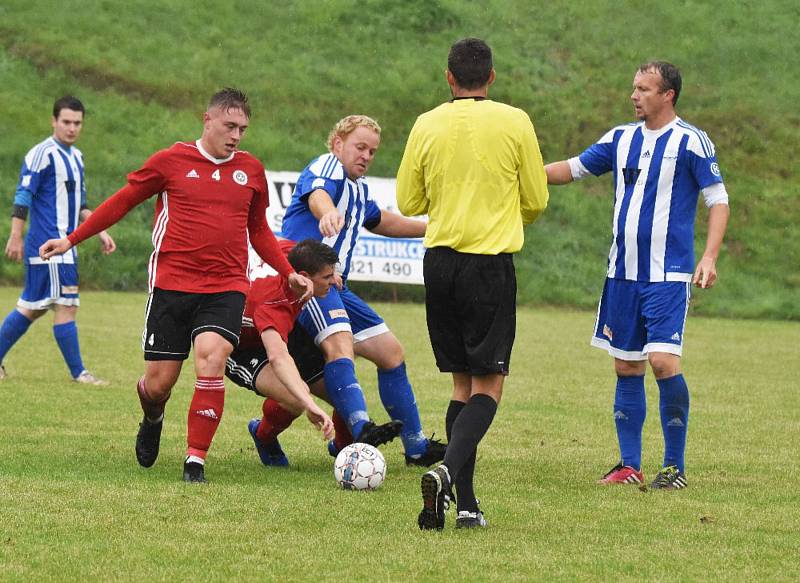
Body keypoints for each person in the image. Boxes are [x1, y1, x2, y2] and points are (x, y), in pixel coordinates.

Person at [39, 88, 313, 483]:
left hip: (226, 286)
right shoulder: (171, 161)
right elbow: (123, 200)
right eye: (229, 126)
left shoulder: (250, 170)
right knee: (158, 384)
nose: (236, 135)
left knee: (211, 357)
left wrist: (287, 271)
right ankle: (153, 415)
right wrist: (72, 239)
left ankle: (195, 461)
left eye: (243, 129)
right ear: (208, 120)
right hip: (172, 285)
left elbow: (258, 230)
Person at [544, 61, 730, 490]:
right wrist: (522, 174)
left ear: (668, 95)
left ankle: (673, 467)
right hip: (622, 273)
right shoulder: (620, 138)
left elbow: (717, 200)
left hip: (668, 274)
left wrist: (710, 256)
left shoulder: (691, 142)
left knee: (663, 362)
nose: (634, 96)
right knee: (626, 367)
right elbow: (572, 169)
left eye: (644, 89)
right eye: (634, 88)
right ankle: (630, 465)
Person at [396, 37, 549, 530]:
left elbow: (409, 200)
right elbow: (536, 199)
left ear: (449, 77)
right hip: (488, 264)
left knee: (461, 385)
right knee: (489, 385)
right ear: (492, 77)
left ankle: (465, 505)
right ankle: (445, 471)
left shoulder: (426, 124)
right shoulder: (514, 121)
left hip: (440, 263)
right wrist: (506, 212)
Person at [274, 114, 446, 467]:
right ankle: (360, 431)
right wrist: (325, 214)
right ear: (338, 143)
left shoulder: (357, 188)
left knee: (391, 353)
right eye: (360, 147)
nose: (366, 156)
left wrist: (434, 229)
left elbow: (383, 220)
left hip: (336, 285)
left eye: (372, 151)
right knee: (339, 348)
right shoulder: (328, 166)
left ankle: (415, 448)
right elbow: (319, 195)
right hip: (308, 283)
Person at [227, 238, 402, 466]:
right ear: (305, 277)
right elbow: (279, 358)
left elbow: (286, 247)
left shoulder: (295, 256)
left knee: (340, 393)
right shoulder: (273, 305)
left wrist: (331, 273)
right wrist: (308, 403)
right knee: (295, 398)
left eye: (332, 275)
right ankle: (263, 436)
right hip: (241, 346)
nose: (334, 284)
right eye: (327, 278)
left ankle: (344, 450)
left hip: (280, 331)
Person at [1, 96, 115, 385]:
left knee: (34, 307)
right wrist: (15, 236)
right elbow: (23, 196)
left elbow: (80, 205)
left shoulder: (77, 157)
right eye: (66, 122)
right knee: (65, 305)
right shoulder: (42, 153)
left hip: (66, 247)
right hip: (49, 245)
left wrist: (100, 230)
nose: (72, 128)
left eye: (77, 123)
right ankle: (80, 374)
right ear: (54, 121)